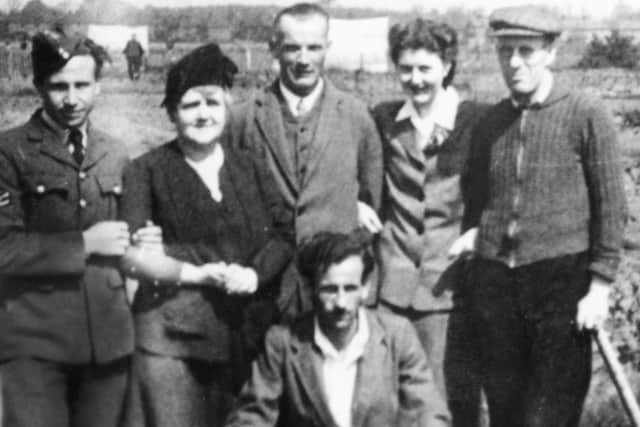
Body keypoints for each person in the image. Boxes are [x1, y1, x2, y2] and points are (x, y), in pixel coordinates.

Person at [450, 5, 627, 427]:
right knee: (506, 412)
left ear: (551, 51)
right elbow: (477, 200)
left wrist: (600, 286)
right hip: (497, 285)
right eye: (505, 51)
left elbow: (611, 205)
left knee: (548, 416)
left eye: (526, 51)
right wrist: (477, 236)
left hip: (559, 286)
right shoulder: (491, 122)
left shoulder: (586, 114)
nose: (514, 63)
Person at [120, 43, 294, 427]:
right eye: (190, 105)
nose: (203, 115)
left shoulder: (250, 166)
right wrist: (196, 273)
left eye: (212, 103)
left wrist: (254, 274)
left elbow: (284, 233)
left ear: (227, 106)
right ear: (170, 113)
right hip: (175, 343)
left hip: (249, 340)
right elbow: (133, 257)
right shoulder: (146, 171)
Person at [0, 29, 134, 427]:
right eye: (59, 86)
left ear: (98, 86)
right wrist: (84, 244)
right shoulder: (9, 151)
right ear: (39, 86)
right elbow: (3, 247)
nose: (72, 99)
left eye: (82, 85)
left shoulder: (115, 151)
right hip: (34, 340)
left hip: (108, 342)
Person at [230, 2, 383, 319]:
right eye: (292, 48)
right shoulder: (243, 118)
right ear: (273, 48)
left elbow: (371, 202)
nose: (303, 60)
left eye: (313, 48)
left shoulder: (355, 115)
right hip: (264, 291)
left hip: (332, 291)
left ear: (327, 47)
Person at [373, 19, 487, 427]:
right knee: (392, 400)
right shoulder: (384, 120)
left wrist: (479, 232)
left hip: (447, 288)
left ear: (447, 66)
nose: (415, 79)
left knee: (445, 401)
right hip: (391, 288)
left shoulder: (476, 122)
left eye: (425, 68)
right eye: (406, 69)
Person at [225, 230, 451, 427]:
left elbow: (428, 411)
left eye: (350, 288)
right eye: (330, 290)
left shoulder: (396, 336)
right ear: (311, 289)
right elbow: (251, 417)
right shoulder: (282, 343)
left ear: (365, 288)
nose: (341, 303)